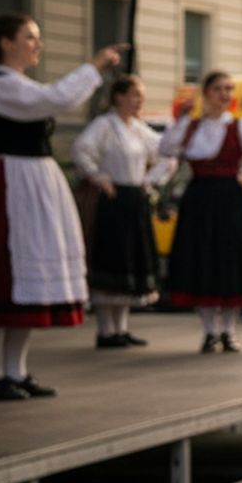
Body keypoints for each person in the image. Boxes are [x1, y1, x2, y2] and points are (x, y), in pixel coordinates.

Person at [0, 15, 123, 400]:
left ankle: (15, 370)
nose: (36, 45)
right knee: (0, 276)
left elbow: (50, 98)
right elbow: (56, 99)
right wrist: (93, 66)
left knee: (24, 282)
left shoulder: (18, 84)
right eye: (29, 37)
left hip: (28, 182)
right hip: (8, 182)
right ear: (5, 43)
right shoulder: (0, 85)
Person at [158, 72, 242, 353]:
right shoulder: (191, 126)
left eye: (229, 89)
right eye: (219, 89)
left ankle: (228, 330)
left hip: (229, 199)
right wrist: (183, 120)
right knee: (201, 262)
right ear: (206, 92)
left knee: (230, 263)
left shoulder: (240, 126)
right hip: (199, 199)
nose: (225, 94)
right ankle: (209, 330)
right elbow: (165, 148)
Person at [72, 76, 173, 348]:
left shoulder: (138, 129)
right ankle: (106, 330)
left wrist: (150, 181)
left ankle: (121, 327)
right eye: (133, 95)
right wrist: (97, 176)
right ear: (118, 96)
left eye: (140, 95)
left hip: (133, 198)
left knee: (129, 262)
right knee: (112, 260)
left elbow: (167, 153)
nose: (138, 100)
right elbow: (81, 149)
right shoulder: (105, 125)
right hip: (112, 198)